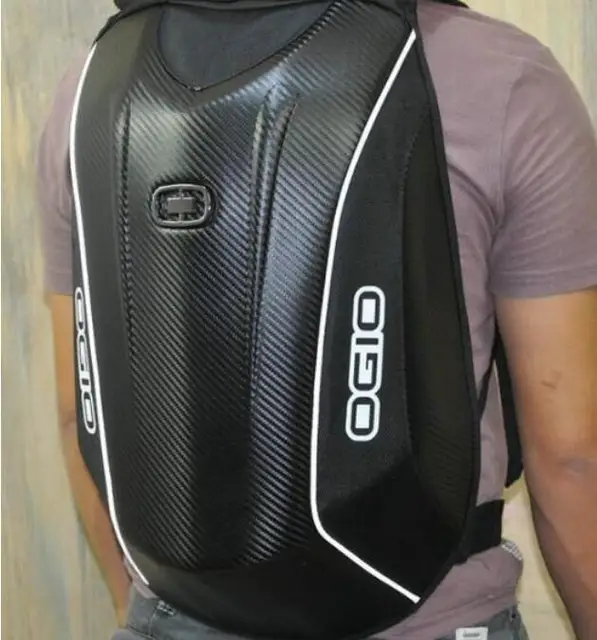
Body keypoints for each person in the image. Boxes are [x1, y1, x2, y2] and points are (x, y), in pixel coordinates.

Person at [37, 1, 597, 639]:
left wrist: (144, 613)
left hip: (172, 617)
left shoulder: (91, 85)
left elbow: (80, 411)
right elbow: (571, 456)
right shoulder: (500, 77)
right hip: (429, 619)